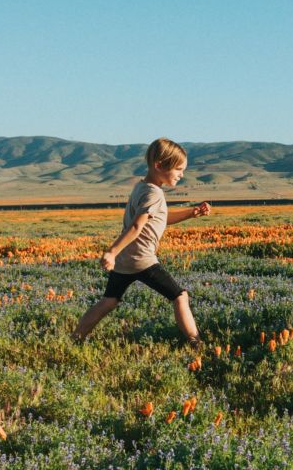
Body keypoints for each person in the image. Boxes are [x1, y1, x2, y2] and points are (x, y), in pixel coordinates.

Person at [73, 138, 211, 345]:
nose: (182, 175)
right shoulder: (154, 194)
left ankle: (75, 337)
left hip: (125, 259)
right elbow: (136, 226)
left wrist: (192, 213)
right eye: (179, 169)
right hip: (141, 259)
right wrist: (111, 251)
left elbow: (160, 219)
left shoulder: (142, 187)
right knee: (180, 296)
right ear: (159, 165)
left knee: (109, 301)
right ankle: (196, 343)